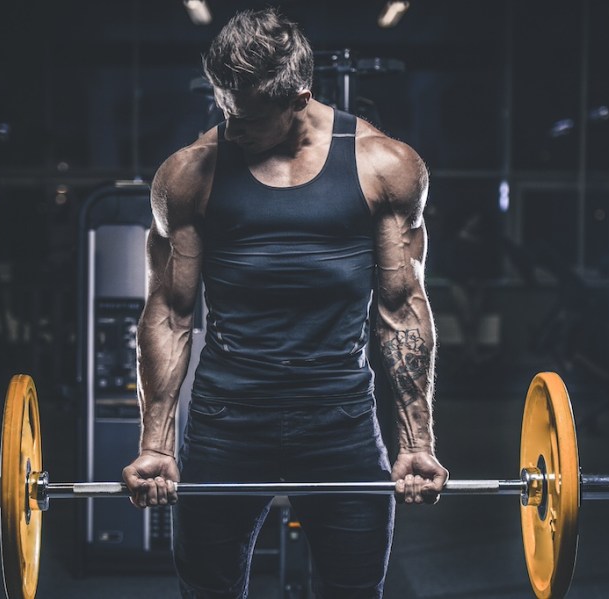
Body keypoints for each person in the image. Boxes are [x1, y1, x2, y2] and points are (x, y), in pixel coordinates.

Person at [122, 8, 448, 598]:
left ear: (299, 97)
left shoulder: (384, 167)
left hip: (340, 421)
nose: (229, 124)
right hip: (226, 421)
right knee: (208, 590)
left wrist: (417, 444)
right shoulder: (189, 175)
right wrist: (155, 446)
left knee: (353, 589)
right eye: (223, 106)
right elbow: (171, 314)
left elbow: (401, 311)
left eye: (245, 117)